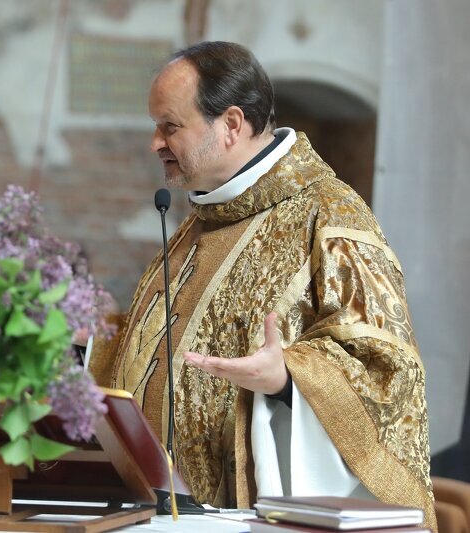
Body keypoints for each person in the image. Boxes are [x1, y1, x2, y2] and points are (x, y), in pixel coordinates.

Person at [88, 41, 435, 529]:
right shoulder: (198, 222)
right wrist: (87, 343)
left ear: (231, 124)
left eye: (170, 126)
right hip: (158, 511)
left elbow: (389, 368)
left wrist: (287, 379)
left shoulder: (330, 216)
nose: (155, 143)